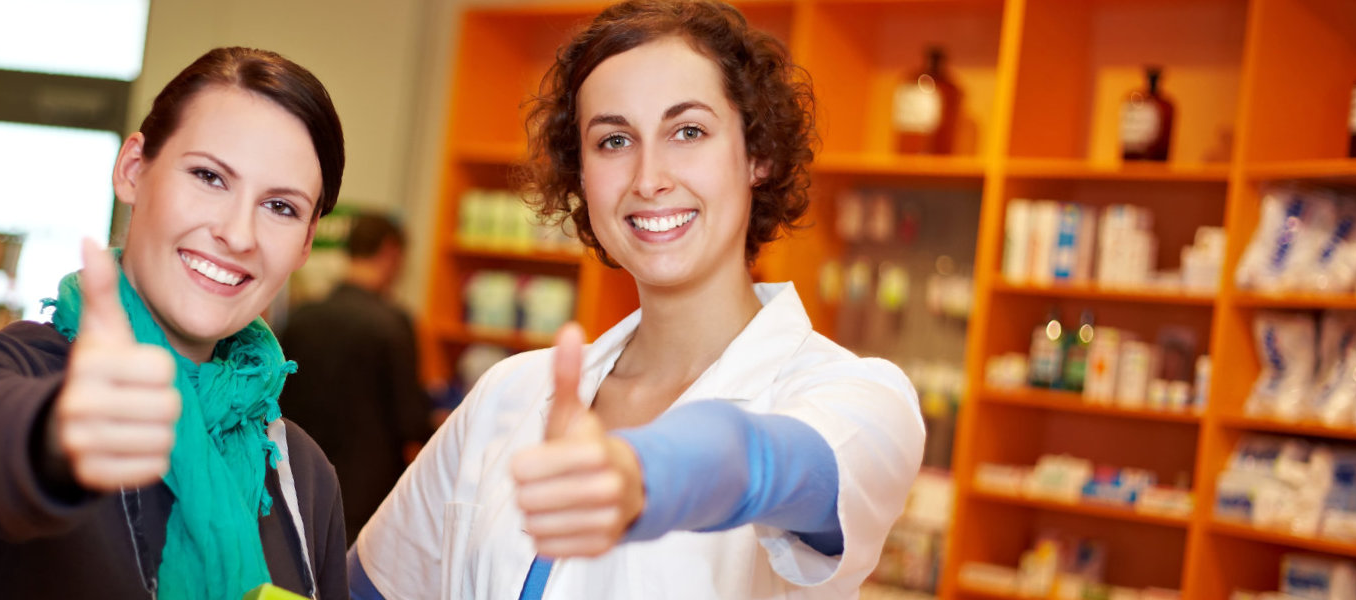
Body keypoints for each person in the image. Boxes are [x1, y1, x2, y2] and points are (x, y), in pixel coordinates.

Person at [349, 1, 926, 598]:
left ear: (759, 155)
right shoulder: (508, 393)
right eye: (614, 139)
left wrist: (639, 474)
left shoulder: (857, 397)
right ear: (582, 175)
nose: (648, 178)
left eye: (688, 131)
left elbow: (760, 461)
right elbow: (370, 584)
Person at [0, 47, 351, 600]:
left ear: (305, 243)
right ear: (133, 170)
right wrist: (61, 432)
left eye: (281, 207)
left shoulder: (301, 474)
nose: (238, 234)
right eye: (209, 176)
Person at [279, 213, 432, 541]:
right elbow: (411, 423)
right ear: (391, 252)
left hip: (294, 482)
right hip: (362, 502)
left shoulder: (301, 317)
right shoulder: (393, 324)